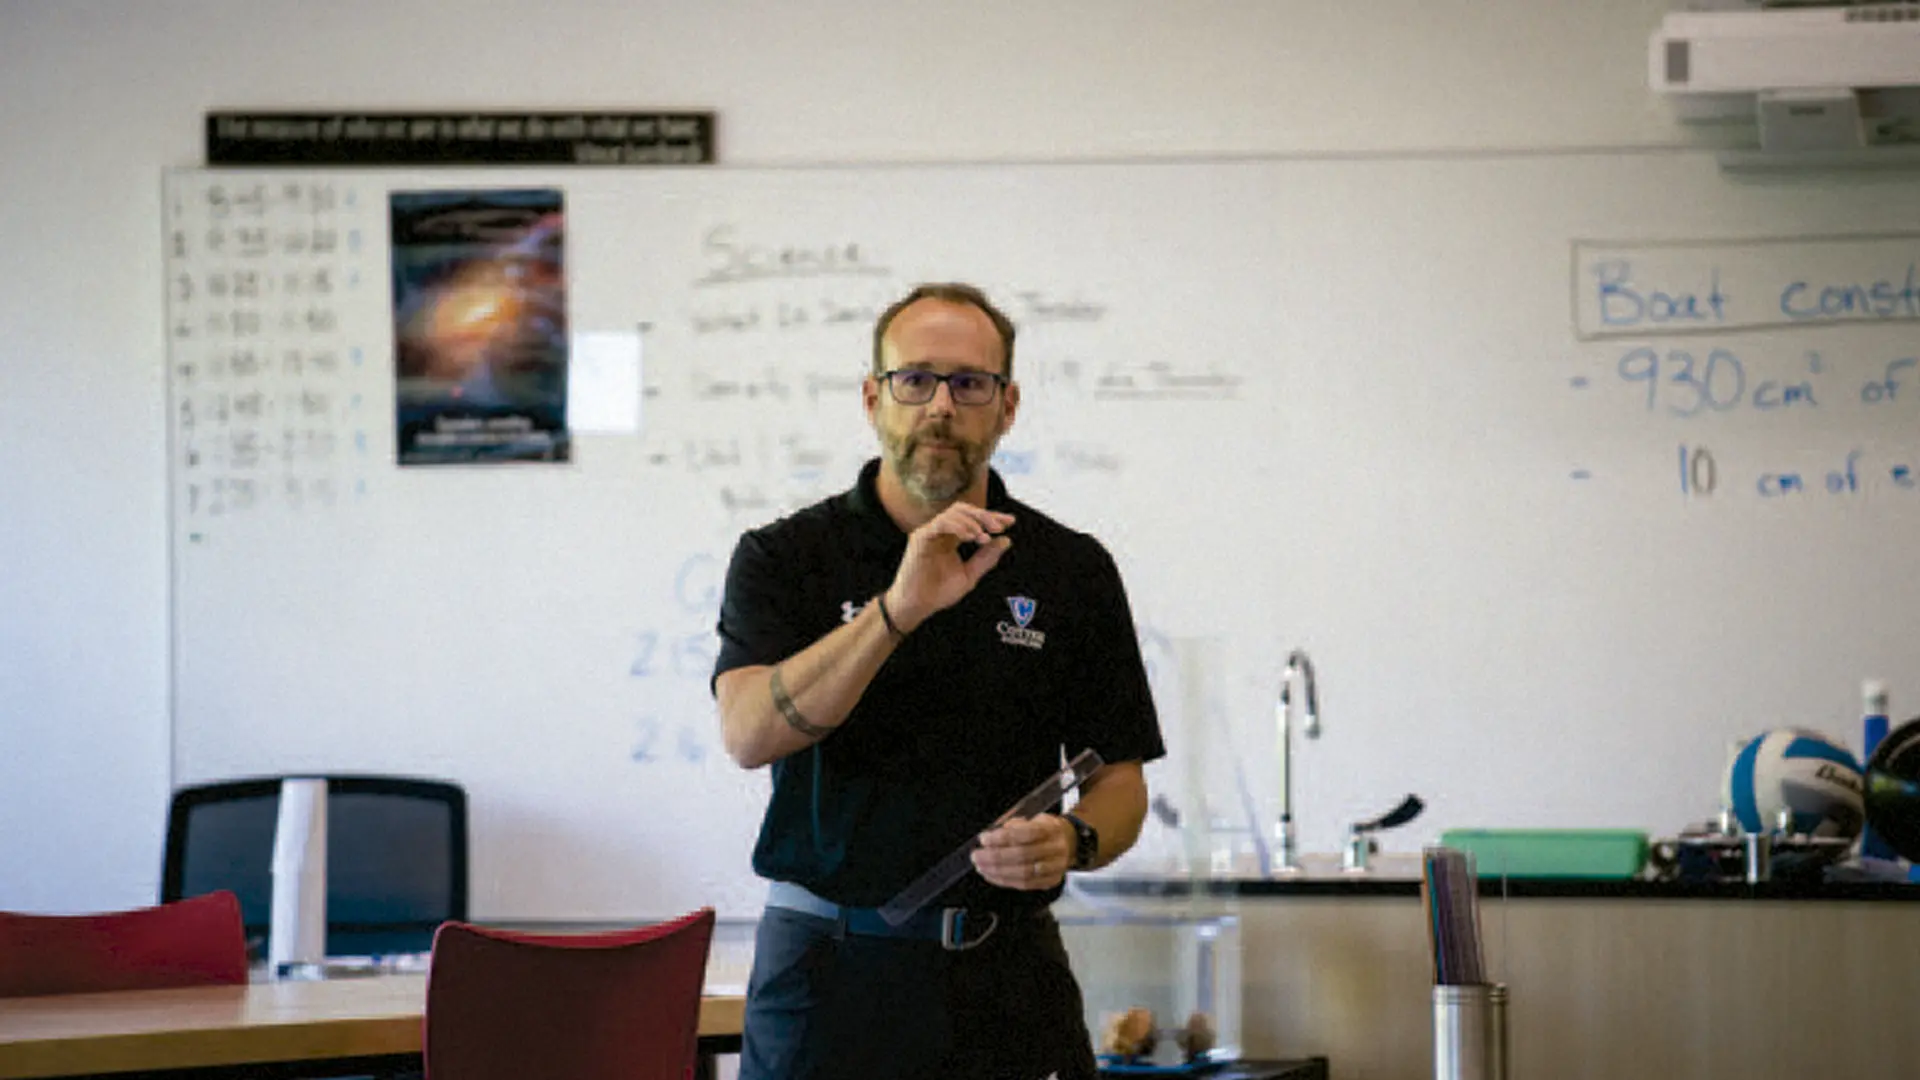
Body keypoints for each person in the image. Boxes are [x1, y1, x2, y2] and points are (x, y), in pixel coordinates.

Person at [711, 282, 1166, 1080]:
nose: (940, 406)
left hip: (1009, 980)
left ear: (1008, 405)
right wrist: (898, 609)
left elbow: (1120, 782)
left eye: (969, 383)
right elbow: (750, 734)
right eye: (914, 380)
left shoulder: (1071, 570)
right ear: (872, 397)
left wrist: (1073, 839)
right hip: (829, 973)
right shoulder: (785, 557)